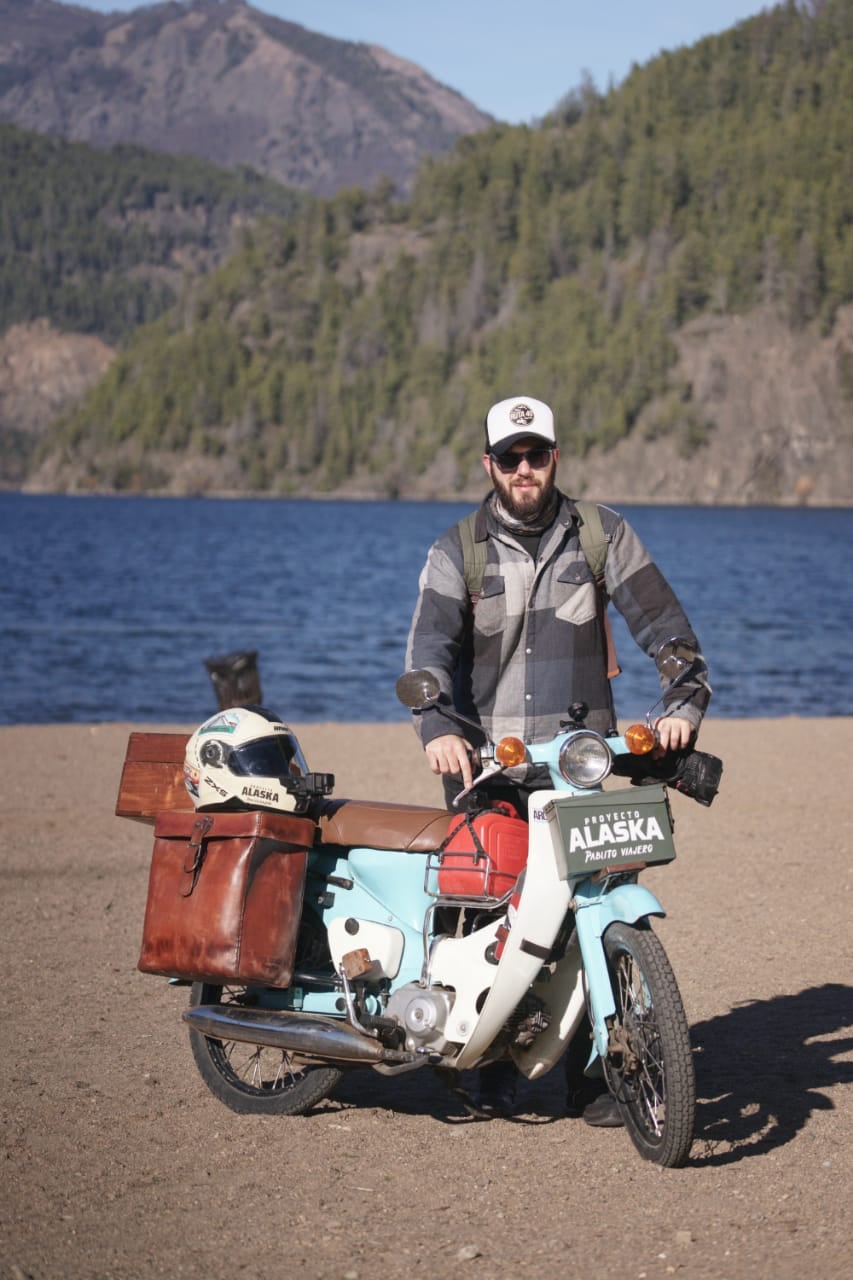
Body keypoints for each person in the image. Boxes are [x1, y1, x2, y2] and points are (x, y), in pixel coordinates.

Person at [405, 394, 711, 1123]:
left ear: (553, 458)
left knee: (593, 913)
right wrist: (436, 727)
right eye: (507, 458)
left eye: (534, 454)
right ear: (488, 464)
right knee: (482, 913)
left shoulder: (602, 535)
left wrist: (680, 706)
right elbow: (428, 656)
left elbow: (666, 629)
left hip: (583, 762)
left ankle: (598, 1076)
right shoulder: (458, 550)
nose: (522, 469)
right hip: (490, 769)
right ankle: (488, 1069)